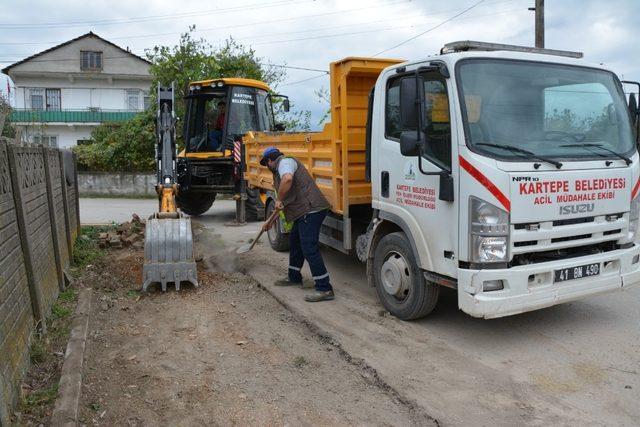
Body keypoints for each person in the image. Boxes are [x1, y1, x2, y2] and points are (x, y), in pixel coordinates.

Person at [260, 147, 334, 302]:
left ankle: (324, 288)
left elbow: (287, 179)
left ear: (270, 160)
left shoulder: (285, 163)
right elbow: (282, 203)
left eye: (266, 163)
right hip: (303, 211)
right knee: (295, 241)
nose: (267, 166)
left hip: (311, 209)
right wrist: (270, 221)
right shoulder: (279, 171)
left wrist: (279, 200)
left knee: (309, 247)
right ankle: (294, 277)